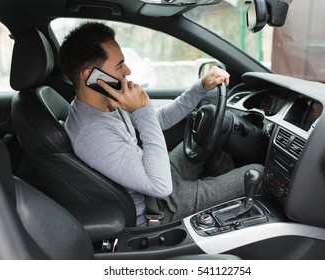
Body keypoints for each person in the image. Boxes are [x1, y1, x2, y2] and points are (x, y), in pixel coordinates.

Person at [59, 22, 263, 227]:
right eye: (120, 66)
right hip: (160, 206)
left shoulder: (105, 102)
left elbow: (160, 120)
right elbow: (160, 186)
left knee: (212, 134)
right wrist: (142, 110)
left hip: (157, 174)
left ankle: (228, 205)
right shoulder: (92, 134)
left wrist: (200, 87)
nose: (127, 71)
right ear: (90, 76)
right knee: (259, 172)